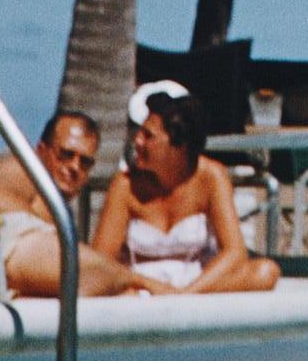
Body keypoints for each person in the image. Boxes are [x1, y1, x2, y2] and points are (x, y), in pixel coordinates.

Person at [91, 86, 278, 294]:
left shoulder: (211, 176)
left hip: (197, 284)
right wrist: (146, 285)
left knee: (266, 271)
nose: (137, 141)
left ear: (178, 146)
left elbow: (234, 252)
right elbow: (101, 260)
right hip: (141, 286)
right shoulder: (125, 185)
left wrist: (186, 295)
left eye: (148, 135)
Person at [0, 108, 144, 298]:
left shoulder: (60, 212)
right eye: (66, 154)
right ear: (42, 150)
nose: (75, 167)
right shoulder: (21, 169)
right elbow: (1, 206)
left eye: (85, 162)